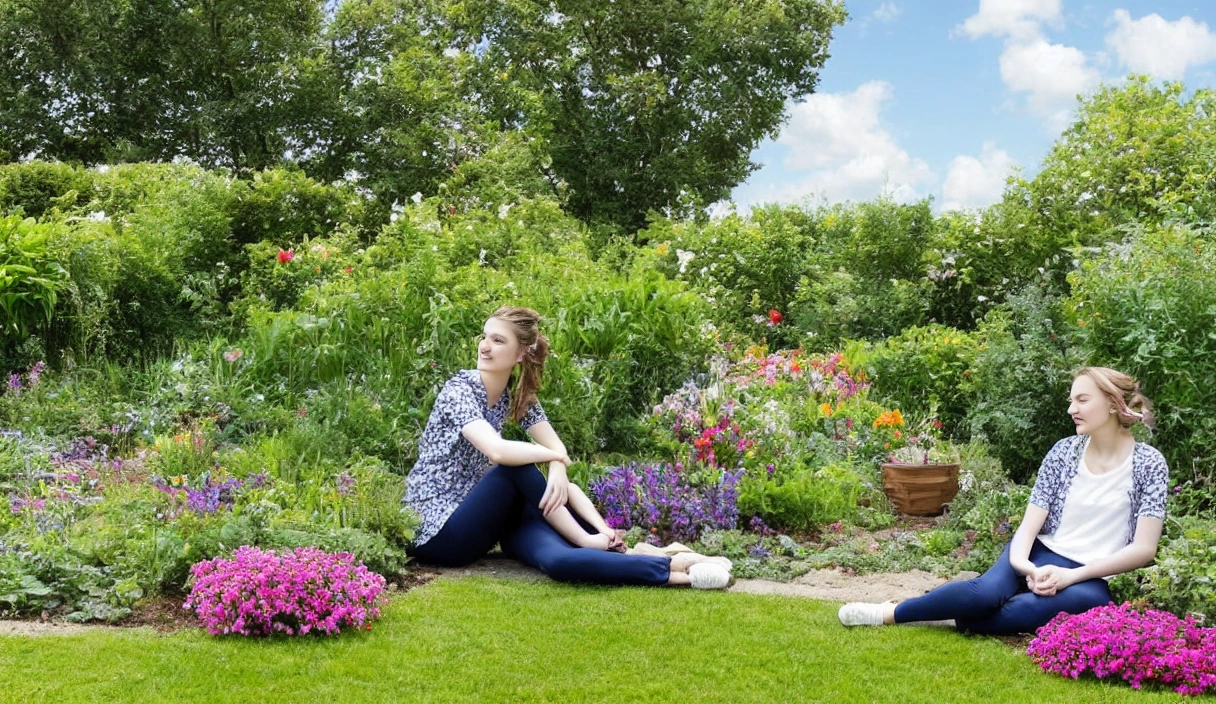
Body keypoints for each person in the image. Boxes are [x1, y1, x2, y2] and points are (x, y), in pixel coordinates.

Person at [403, 305, 731, 588]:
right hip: (439, 533)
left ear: (521, 354)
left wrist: (558, 464)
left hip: (488, 519)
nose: (485, 347)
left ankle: (680, 572)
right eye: (485, 337)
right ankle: (590, 540)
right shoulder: (459, 389)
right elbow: (499, 452)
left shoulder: (516, 396)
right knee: (513, 468)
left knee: (559, 562)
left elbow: (557, 447)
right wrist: (554, 457)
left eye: (498, 340)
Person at [838, 366, 1169, 634]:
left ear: (1113, 403)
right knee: (982, 595)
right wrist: (1026, 566)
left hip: (1093, 577)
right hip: (1039, 551)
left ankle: (962, 612)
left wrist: (1070, 577)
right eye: (1071, 400)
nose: (1072, 409)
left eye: (1082, 400)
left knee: (996, 614)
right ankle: (889, 612)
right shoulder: (1064, 453)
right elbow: (1029, 525)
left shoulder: (1149, 464)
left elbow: (1143, 549)